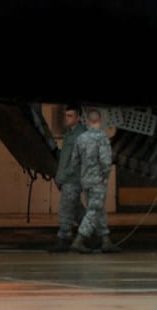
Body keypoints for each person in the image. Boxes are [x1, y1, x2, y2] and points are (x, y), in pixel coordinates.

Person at [70, 107, 117, 253]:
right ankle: (79, 239)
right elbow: (105, 161)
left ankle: (105, 239)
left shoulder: (81, 138)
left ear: (88, 121)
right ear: (100, 120)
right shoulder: (102, 138)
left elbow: (74, 161)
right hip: (97, 181)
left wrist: (82, 175)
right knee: (93, 210)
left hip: (85, 181)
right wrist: (104, 176)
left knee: (98, 209)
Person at [50, 104, 86, 253]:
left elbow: (77, 161)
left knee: (66, 209)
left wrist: (63, 177)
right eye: (66, 115)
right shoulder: (69, 134)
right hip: (66, 179)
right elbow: (64, 158)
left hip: (72, 180)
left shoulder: (80, 135)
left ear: (78, 118)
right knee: (76, 209)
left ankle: (63, 238)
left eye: (70, 116)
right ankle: (93, 233)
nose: (66, 118)